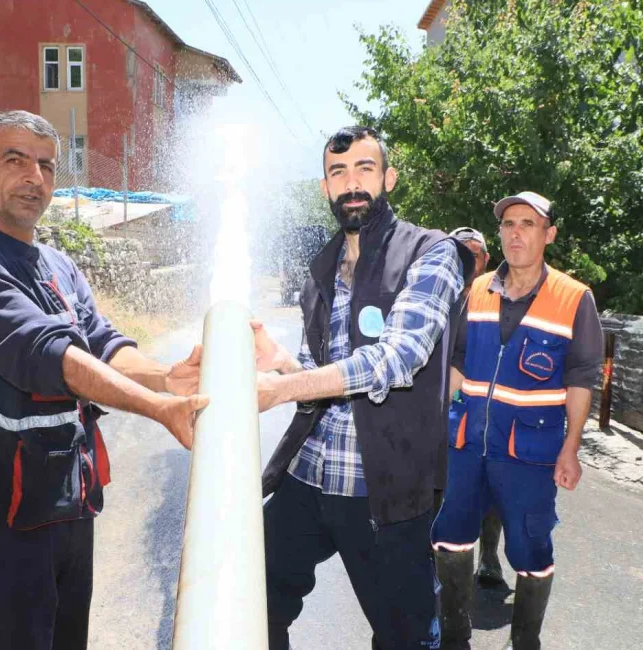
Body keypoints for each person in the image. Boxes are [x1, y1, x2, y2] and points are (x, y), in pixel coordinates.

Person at [0, 111, 206, 650]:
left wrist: (169, 378)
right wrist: (155, 407)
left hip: (64, 502)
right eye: (15, 160)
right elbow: (49, 355)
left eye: (46, 165)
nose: (35, 178)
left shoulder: (55, 262)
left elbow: (104, 344)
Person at [254, 126, 473, 650]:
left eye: (364, 169)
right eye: (338, 172)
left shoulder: (431, 253)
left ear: (388, 178)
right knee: (251, 603)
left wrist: (282, 389)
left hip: (383, 488)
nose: (352, 183)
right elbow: (319, 376)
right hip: (308, 476)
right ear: (326, 187)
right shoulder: (322, 267)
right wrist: (283, 365)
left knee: (405, 637)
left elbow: (398, 358)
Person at [430, 192, 604, 650]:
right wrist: (432, 423)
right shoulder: (479, 289)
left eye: (528, 223)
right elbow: (459, 362)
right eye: (509, 223)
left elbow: (583, 377)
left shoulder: (573, 298)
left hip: (529, 452)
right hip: (466, 443)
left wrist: (571, 447)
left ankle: (525, 641)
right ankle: (453, 637)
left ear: (548, 234)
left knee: (531, 551)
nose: (516, 232)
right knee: (450, 538)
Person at [444, 227, 505, 588]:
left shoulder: (502, 298)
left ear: (485, 260)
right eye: (459, 252)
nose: (467, 259)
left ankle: (489, 555)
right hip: (446, 405)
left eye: (474, 253)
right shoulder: (436, 295)